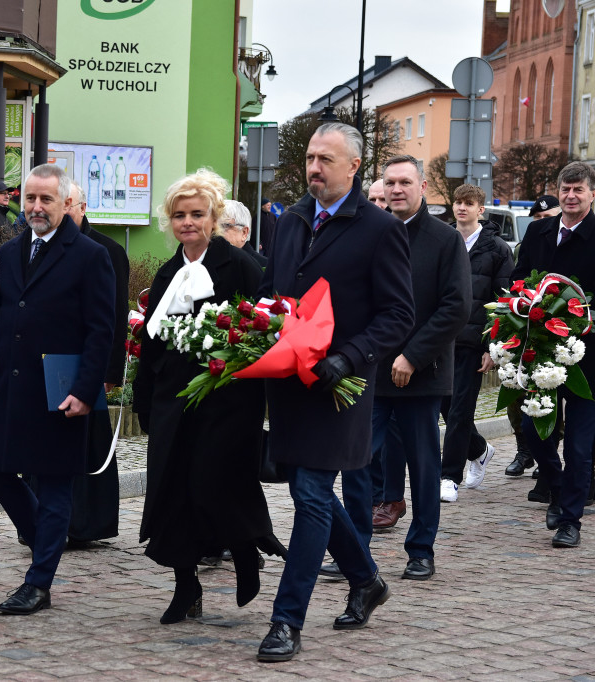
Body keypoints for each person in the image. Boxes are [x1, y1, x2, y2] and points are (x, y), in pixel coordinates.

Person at [256, 123, 415, 662]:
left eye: (326, 158)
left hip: (340, 387)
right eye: (309, 157)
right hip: (291, 384)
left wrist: (348, 357)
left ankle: (286, 620)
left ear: (353, 167)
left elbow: (398, 315)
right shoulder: (292, 219)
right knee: (314, 493)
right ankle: (367, 579)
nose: (314, 167)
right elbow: (274, 294)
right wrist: (248, 326)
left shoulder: (378, 228)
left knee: (309, 496)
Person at [132, 169, 285, 625]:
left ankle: (243, 552)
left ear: (214, 217)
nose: (188, 222)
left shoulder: (239, 266)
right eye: (179, 215)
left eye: (197, 214)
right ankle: (185, 588)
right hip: (173, 402)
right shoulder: (167, 272)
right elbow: (151, 345)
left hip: (226, 401)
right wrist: (146, 399)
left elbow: (258, 334)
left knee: (216, 484)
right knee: (173, 492)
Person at [0, 163, 115, 615]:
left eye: (46, 200)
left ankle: (38, 582)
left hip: (60, 390)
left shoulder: (90, 255)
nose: (36, 207)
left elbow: (101, 331)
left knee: (56, 486)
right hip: (10, 386)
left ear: (64, 204)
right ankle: (47, 544)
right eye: (30, 199)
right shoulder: (14, 249)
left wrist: (85, 389)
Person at [363, 155, 470, 581]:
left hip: (422, 376)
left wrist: (413, 355)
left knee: (424, 467)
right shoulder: (370, 235)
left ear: (422, 186)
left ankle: (421, 550)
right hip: (372, 372)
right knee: (357, 463)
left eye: (405, 182)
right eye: (390, 183)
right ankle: (355, 547)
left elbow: (455, 307)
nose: (396, 190)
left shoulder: (445, 240)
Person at [512, 161, 595, 548]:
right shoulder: (539, 231)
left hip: (588, 356)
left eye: (579, 190)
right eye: (566, 189)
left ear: (592, 194)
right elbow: (518, 279)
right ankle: (558, 487)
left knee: (580, 444)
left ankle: (570, 521)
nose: (571, 196)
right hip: (540, 353)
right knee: (533, 428)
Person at [64, 182, 129, 546]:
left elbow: (116, 317)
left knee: (90, 444)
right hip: (54, 363)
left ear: (83, 207)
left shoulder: (108, 250)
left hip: (91, 363)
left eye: (68, 203)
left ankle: (89, 523)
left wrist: (109, 372)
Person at [439, 184, 513, 502]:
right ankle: (480, 449)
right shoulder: (443, 241)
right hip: (440, 340)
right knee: (444, 405)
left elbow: (503, 300)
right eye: (457, 202)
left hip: (473, 341)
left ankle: (448, 478)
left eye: (468, 203)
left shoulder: (497, 248)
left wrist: (492, 347)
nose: (461, 208)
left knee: (460, 410)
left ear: (480, 209)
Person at [504, 194, 562, 478]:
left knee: (559, 398)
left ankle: (552, 460)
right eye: (536, 219)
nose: (540, 224)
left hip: (567, 326)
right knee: (524, 393)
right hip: (532, 325)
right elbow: (518, 276)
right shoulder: (529, 240)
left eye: (547, 218)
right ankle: (527, 451)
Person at [221, 199, 267, 266]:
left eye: (224, 226)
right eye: (213, 227)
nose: (216, 233)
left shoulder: (264, 267)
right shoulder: (206, 263)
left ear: (244, 233)